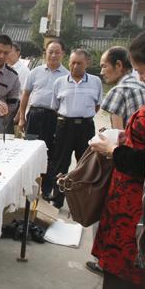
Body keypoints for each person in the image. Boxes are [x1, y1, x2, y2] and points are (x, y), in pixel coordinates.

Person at [89, 29, 145, 289]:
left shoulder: (118, 92)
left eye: (142, 70)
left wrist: (113, 149)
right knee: (135, 277)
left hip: (135, 209)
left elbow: (143, 162)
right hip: (130, 204)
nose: (141, 77)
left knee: (127, 273)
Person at [48, 48, 102, 208]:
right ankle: (57, 199)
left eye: (79, 63)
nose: (75, 66)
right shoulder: (59, 82)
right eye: (72, 63)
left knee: (85, 165)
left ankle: (81, 202)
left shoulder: (95, 81)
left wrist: (82, 115)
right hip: (65, 126)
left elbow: (97, 105)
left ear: (87, 63)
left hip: (85, 127)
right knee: (60, 163)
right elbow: (55, 106)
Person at [18, 39, 69, 199]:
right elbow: (25, 95)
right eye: (50, 52)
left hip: (54, 118)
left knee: (51, 154)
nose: (53, 55)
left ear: (63, 54)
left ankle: (46, 190)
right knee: (29, 151)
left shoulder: (67, 75)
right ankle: (25, 186)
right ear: (45, 53)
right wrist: (21, 118)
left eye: (57, 52)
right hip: (34, 115)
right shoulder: (35, 72)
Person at [100, 46, 145, 129]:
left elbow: (117, 134)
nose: (101, 72)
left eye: (104, 66)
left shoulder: (118, 92)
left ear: (118, 65)